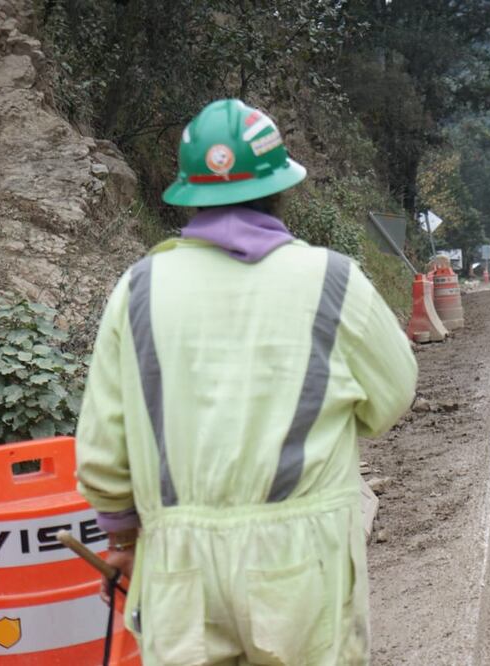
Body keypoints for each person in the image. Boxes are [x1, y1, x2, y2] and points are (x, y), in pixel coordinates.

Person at [75, 99, 417, 665]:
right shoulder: (332, 280)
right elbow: (392, 397)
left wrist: (124, 539)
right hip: (302, 562)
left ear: (188, 191)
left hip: (178, 566)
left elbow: (104, 452)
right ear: (280, 187)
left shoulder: (137, 290)